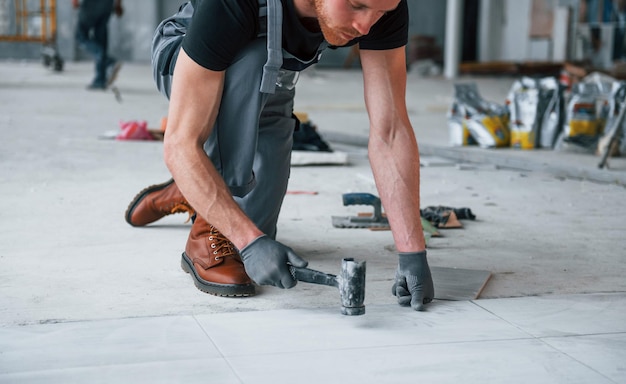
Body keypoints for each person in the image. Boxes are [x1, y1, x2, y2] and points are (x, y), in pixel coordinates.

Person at [125, 0, 434, 311]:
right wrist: (247, 241)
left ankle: (193, 183)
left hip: (273, 82)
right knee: (240, 241)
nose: (366, 25)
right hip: (186, 58)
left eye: (380, 13)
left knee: (259, 232)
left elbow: (390, 130)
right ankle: (206, 229)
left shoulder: (381, 3)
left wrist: (412, 253)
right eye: (355, 5)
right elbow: (180, 143)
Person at [72, 0, 123, 90]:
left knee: (80, 36)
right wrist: (118, 4)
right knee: (100, 39)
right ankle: (100, 80)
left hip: (91, 4)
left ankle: (108, 61)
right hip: (107, 4)